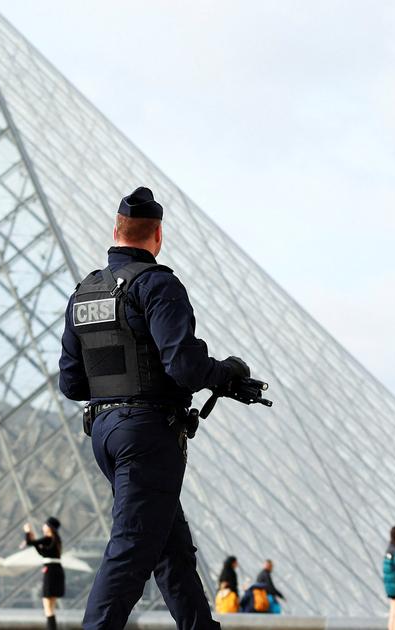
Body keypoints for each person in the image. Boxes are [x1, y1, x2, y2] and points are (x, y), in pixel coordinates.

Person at [58, 187, 257, 630]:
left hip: (105, 433)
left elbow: (71, 382)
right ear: (158, 235)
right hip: (148, 434)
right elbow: (184, 366)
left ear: (116, 230)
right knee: (131, 549)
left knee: (171, 552)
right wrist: (226, 371)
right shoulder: (158, 285)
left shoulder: (84, 293)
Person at [24, 517, 65, 630]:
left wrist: (27, 531)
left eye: (45, 525)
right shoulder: (56, 540)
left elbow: (29, 543)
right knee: (51, 607)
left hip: (50, 572)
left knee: (47, 607)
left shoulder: (48, 538)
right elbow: (43, 552)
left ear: (49, 527)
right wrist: (35, 543)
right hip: (57, 571)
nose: (43, 527)